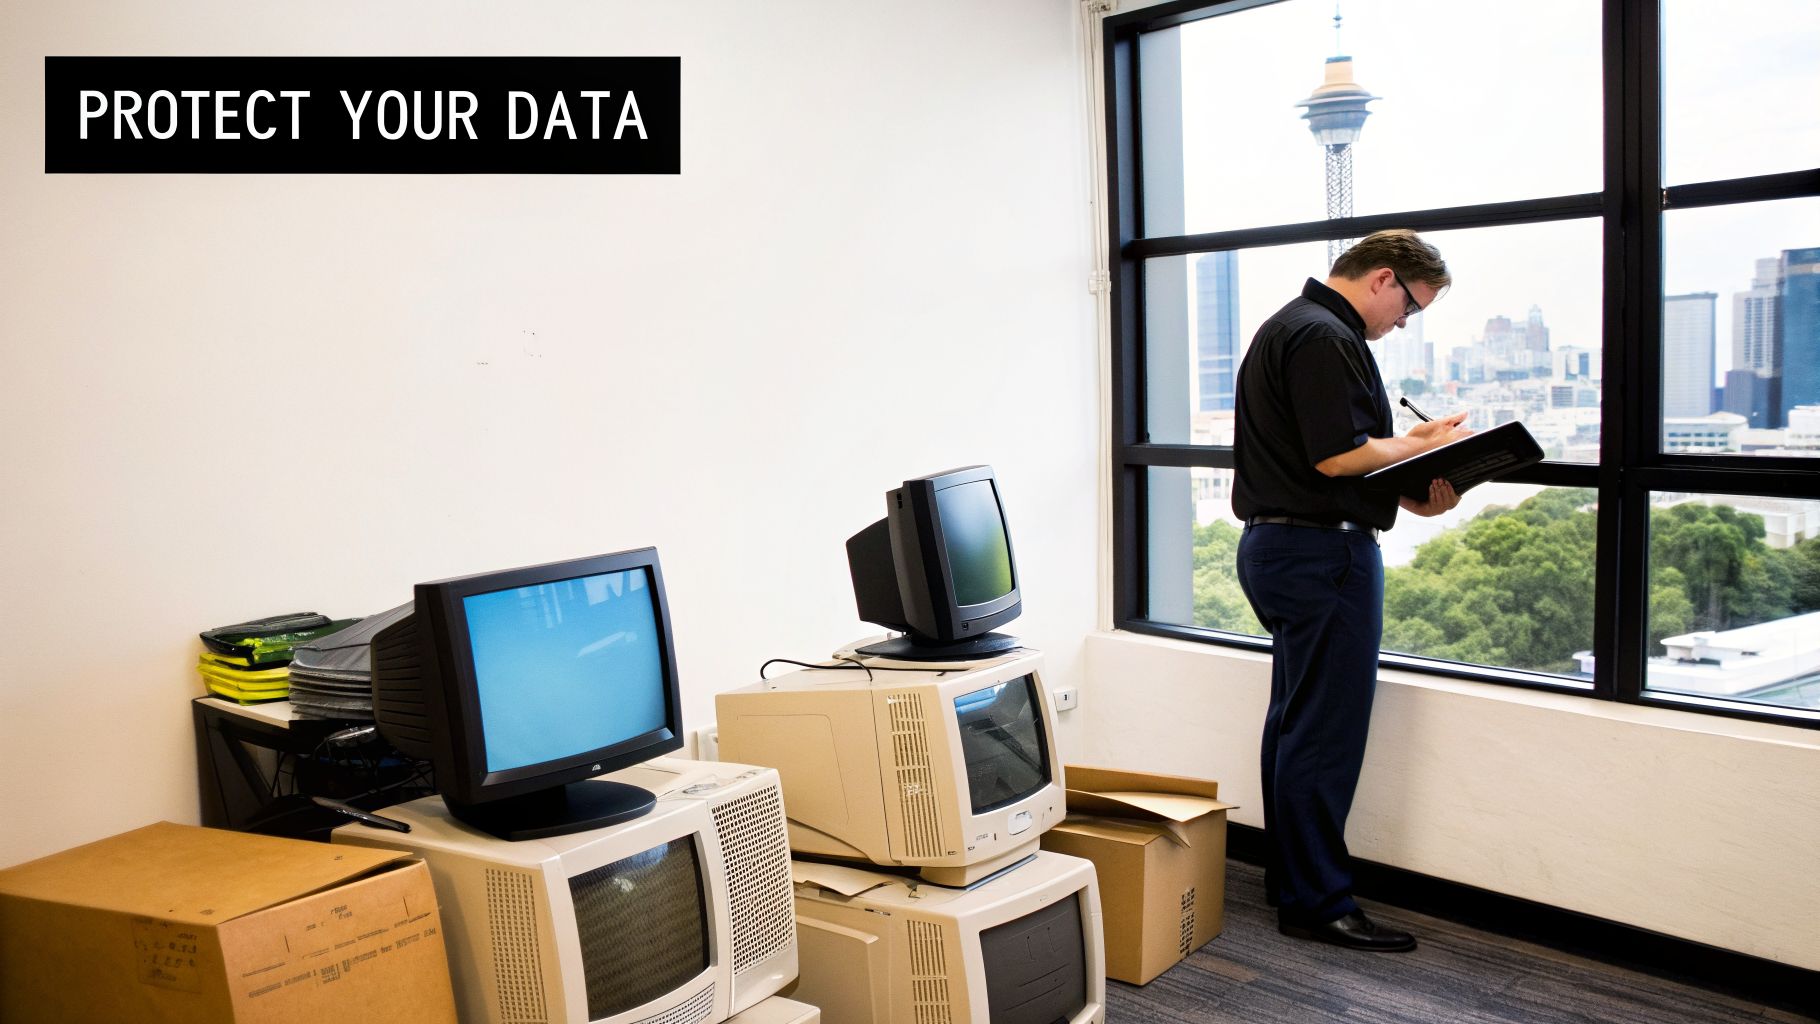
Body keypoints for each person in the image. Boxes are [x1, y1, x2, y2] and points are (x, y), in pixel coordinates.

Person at [1231, 229, 1471, 952]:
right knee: (1324, 733)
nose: (1401, 324)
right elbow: (1337, 456)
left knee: (1296, 721)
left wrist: (1409, 491)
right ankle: (1317, 902)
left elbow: (1328, 459)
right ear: (1383, 279)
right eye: (1410, 309)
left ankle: (1293, 881)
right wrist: (1424, 446)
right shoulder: (1323, 336)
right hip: (1320, 555)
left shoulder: (1294, 328)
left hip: (1290, 546)